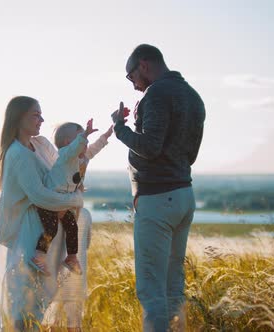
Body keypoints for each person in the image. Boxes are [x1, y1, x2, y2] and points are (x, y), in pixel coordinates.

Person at [111, 44, 206, 332]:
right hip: (183, 194)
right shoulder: (193, 96)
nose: (133, 85)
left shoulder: (157, 94)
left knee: (152, 291)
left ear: (144, 64)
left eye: (131, 77)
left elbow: (150, 147)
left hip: (157, 200)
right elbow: (191, 154)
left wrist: (120, 128)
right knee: (173, 286)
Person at [0, 96, 86, 331]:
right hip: (28, 235)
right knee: (26, 302)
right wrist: (75, 199)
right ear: (19, 118)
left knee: (39, 300)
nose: (42, 119)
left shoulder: (38, 144)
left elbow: (62, 166)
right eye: (35, 115)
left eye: (41, 114)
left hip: (45, 230)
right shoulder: (17, 154)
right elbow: (40, 195)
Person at [30, 120, 111, 277]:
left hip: (64, 201)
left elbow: (94, 148)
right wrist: (85, 135)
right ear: (68, 143)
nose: (86, 144)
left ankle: (71, 257)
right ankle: (39, 256)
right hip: (51, 200)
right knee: (51, 228)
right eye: (82, 140)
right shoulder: (66, 156)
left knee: (72, 226)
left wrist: (106, 135)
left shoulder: (82, 158)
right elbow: (76, 147)